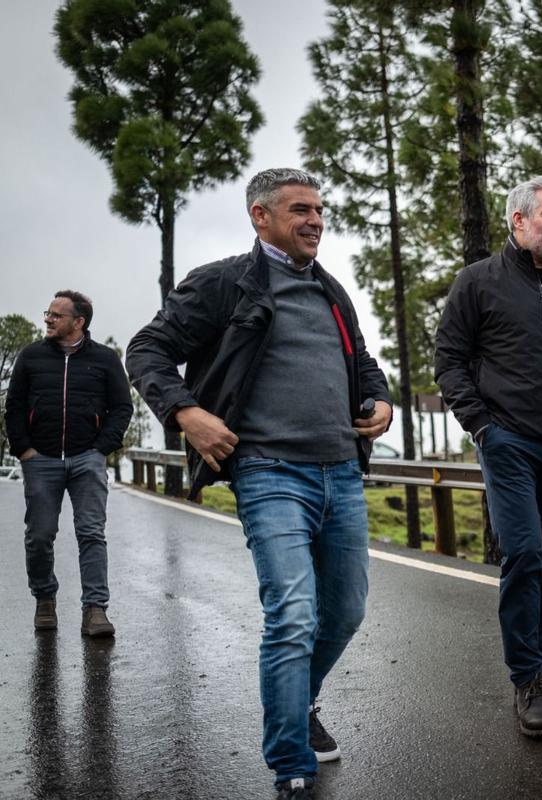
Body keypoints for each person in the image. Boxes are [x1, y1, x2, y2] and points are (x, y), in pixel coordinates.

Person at [126, 168, 392, 800]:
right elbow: (146, 349)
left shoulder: (331, 289)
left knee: (346, 612)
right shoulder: (225, 283)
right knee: (293, 613)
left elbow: (362, 362)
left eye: (320, 210)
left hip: (342, 471)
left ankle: (299, 702)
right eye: (300, 208)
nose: (316, 220)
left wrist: (379, 402)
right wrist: (187, 414)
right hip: (270, 472)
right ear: (260, 216)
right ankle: (290, 763)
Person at [435, 175, 542, 738]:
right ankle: (525, 681)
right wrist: (483, 428)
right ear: (518, 221)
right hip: (509, 442)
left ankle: (539, 667)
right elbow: (450, 361)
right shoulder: (477, 282)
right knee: (525, 553)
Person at [4, 290, 132, 637]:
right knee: (40, 536)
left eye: (56, 315)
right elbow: (14, 407)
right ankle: (45, 598)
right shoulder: (30, 356)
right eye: (48, 312)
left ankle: (95, 609)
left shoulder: (104, 359)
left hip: (86, 460)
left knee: (91, 533)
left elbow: (122, 407)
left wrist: (100, 449)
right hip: (41, 460)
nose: (47, 319)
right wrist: (25, 451)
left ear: (79, 322)